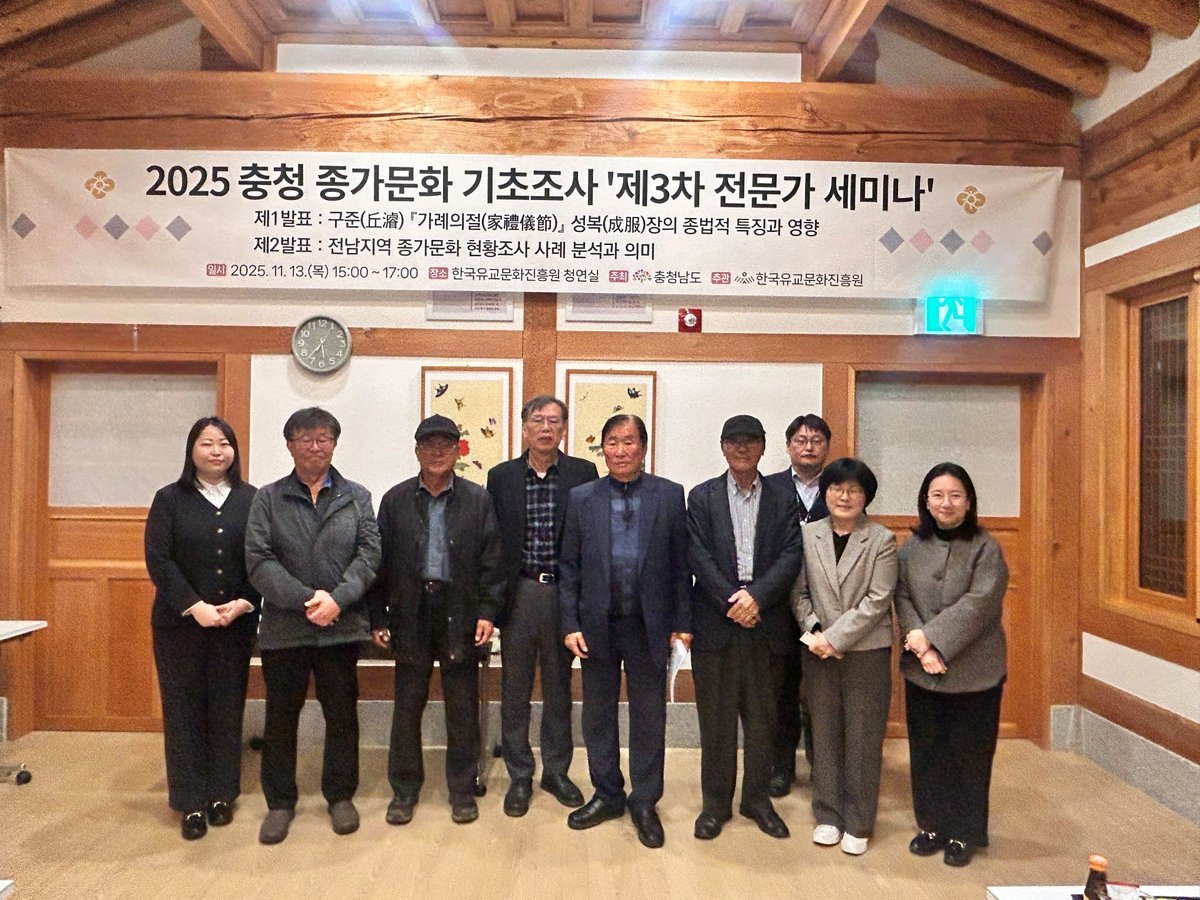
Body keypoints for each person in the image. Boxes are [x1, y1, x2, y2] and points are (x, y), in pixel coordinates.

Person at [244, 407, 381, 845]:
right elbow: (259, 560)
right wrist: (308, 600)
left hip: (341, 627)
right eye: (305, 438)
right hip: (285, 630)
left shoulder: (357, 496)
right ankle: (280, 802)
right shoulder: (268, 498)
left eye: (324, 438)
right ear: (289, 445)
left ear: (334, 444)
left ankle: (340, 796)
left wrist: (337, 599)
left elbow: (369, 555)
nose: (315, 446)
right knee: (281, 718)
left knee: (341, 715)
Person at [560, 414, 691, 849]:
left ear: (644, 447)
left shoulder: (669, 495)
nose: (620, 450)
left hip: (649, 624)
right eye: (612, 442)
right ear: (603, 449)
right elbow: (569, 567)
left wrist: (682, 624)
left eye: (629, 441)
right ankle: (607, 794)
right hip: (597, 624)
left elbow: (680, 566)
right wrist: (570, 623)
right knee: (597, 713)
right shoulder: (583, 497)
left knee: (649, 715)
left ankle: (645, 800)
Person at [368, 414, 505, 825]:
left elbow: (492, 562)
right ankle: (404, 790)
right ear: (416, 451)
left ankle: (462, 790)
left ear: (458, 451)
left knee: (462, 708)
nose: (437, 452)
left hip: (460, 612)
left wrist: (487, 613)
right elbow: (378, 565)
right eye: (429, 445)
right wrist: (377, 616)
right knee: (407, 707)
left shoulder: (478, 500)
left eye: (446, 444)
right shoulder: (395, 500)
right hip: (409, 613)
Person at [145, 416, 261, 840]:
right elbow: (159, 560)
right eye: (207, 443)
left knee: (227, 708)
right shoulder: (169, 499)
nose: (216, 451)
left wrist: (245, 601)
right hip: (179, 625)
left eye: (224, 443)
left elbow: (263, 557)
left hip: (235, 624)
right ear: (191, 450)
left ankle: (221, 795)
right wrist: (195, 607)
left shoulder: (252, 499)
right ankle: (190, 801)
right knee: (183, 710)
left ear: (234, 451)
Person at [688, 415, 803, 841]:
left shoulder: (782, 499)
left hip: (766, 621)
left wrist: (757, 597)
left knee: (763, 719)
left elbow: (792, 554)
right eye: (733, 441)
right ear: (722, 447)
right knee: (716, 720)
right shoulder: (701, 497)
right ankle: (715, 804)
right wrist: (732, 600)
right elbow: (696, 554)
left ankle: (757, 800)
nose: (741, 447)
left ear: (763, 446)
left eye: (750, 441)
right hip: (716, 621)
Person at [486, 396, 598, 817]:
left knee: (558, 688)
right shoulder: (501, 477)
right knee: (514, 689)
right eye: (538, 420)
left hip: (564, 593)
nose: (546, 428)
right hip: (519, 591)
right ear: (524, 427)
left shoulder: (583, 473)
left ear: (564, 429)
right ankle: (519, 774)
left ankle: (555, 771)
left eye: (554, 421)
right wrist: (490, 603)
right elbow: (492, 543)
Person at [895, 462, 1009, 868]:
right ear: (926, 501)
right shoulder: (911, 547)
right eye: (938, 495)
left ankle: (965, 831)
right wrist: (920, 645)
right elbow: (902, 596)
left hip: (976, 672)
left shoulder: (986, 548)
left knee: (969, 754)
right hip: (921, 671)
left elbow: (980, 603)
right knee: (927, 750)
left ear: (969, 502)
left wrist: (933, 639)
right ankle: (932, 826)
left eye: (955, 495)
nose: (946, 503)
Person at [790, 457, 896, 857]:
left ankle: (858, 820)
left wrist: (834, 639)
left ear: (866, 496)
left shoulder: (881, 539)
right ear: (825, 492)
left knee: (863, 735)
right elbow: (798, 593)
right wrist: (815, 631)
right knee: (824, 732)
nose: (845, 496)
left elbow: (878, 600)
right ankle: (828, 814)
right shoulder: (808, 534)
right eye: (836, 488)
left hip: (865, 651)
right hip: (818, 650)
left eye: (854, 489)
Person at [765, 413, 831, 796]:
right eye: (801, 440)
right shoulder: (769, 487)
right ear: (788, 446)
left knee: (822, 690)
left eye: (816, 440)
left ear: (826, 447)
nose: (808, 447)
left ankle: (823, 765)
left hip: (825, 606)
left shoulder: (840, 486)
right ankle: (781, 766)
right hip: (778, 604)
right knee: (781, 690)